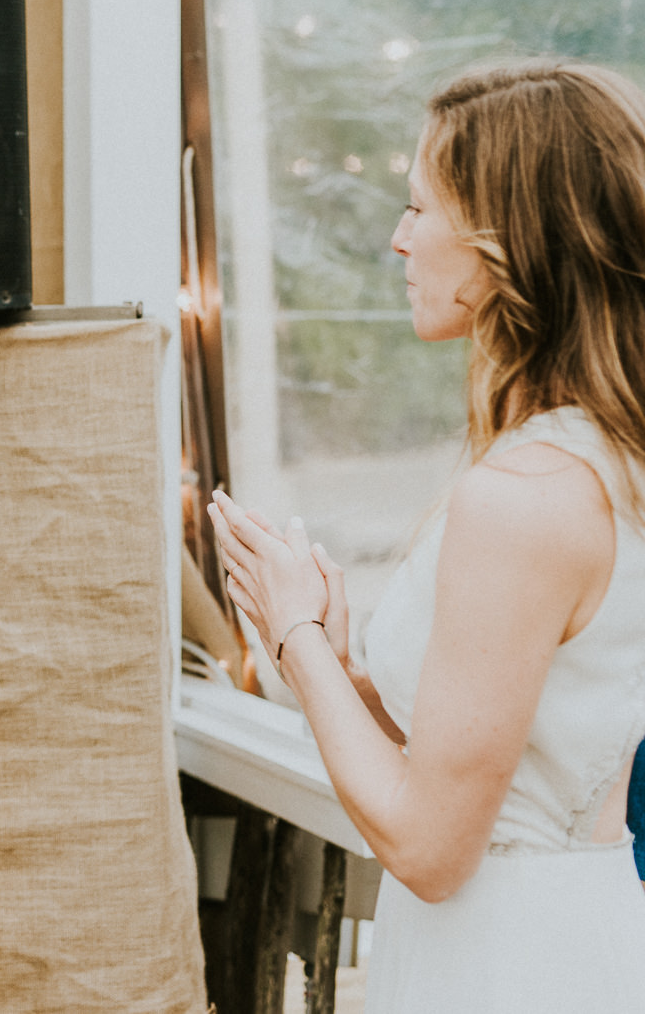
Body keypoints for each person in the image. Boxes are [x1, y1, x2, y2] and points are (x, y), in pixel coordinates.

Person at [209, 60, 645, 1011]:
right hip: (574, 931)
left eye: (418, 208)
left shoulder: (526, 493)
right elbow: (515, 736)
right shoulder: (602, 458)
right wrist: (351, 670)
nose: (398, 241)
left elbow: (431, 849)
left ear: (505, 244)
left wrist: (296, 637)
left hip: (510, 962)